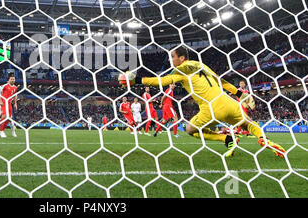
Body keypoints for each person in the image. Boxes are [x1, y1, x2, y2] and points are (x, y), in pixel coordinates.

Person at [118, 46, 286, 158]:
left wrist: (136, 80)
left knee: (190, 129)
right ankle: (264, 139)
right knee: (248, 123)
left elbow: (161, 81)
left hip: (211, 108)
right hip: (228, 101)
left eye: (172, 57)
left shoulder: (180, 71)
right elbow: (220, 81)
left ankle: (226, 139)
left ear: (182, 58)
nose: (170, 60)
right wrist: (240, 94)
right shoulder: (202, 65)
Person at [0, 74, 18, 138]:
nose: (13, 80)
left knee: (9, 118)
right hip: (3, 102)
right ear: (8, 80)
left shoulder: (15, 87)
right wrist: (0, 101)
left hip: (9, 103)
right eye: (11, 79)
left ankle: (3, 130)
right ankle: (1, 131)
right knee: (4, 116)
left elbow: (15, 95)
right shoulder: (5, 86)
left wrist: (15, 103)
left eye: (13, 79)